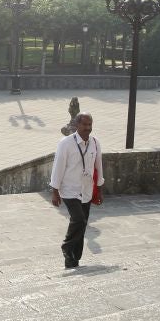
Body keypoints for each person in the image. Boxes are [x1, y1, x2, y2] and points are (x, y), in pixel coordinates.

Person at [49, 112, 104, 269]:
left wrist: (99, 189)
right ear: (77, 125)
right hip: (69, 190)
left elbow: (99, 166)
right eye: (84, 124)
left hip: (86, 189)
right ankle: (67, 246)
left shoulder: (95, 142)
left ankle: (73, 260)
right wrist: (55, 191)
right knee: (79, 219)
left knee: (83, 225)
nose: (88, 128)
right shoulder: (65, 143)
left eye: (90, 125)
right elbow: (58, 167)